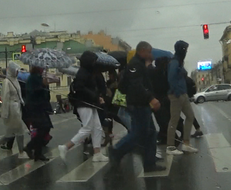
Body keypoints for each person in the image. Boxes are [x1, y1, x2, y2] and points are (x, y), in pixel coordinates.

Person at [108, 42, 165, 172]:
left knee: (150, 133)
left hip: (141, 103)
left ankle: (149, 163)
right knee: (139, 133)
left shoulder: (139, 64)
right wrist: (151, 98)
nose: (150, 54)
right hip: (138, 104)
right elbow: (137, 85)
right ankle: (117, 151)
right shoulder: (135, 65)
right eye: (149, 52)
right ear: (142, 51)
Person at [59, 51, 108, 163]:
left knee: (97, 128)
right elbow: (80, 88)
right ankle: (65, 147)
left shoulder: (88, 72)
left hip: (90, 103)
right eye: (93, 61)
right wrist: (95, 96)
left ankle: (97, 153)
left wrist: (96, 97)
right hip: (84, 104)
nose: (95, 63)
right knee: (87, 128)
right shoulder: (83, 73)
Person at [165, 41, 199, 156]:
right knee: (174, 120)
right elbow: (171, 78)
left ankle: (186, 143)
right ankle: (170, 146)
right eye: (185, 49)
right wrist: (177, 92)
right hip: (177, 95)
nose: (186, 51)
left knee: (190, 116)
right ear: (181, 50)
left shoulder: (178, 61)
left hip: (182, 94)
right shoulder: (174, 62)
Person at [22, 66, 52, 162]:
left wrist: (45, 85)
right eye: (41, 68)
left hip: (40, 106)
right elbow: (33, 92)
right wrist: (43, 85)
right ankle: (30, 147)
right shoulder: (33, 78)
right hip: (35, 107)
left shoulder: (38, 77)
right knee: (43, 128)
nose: (43, 69)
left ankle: (37, 153)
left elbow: (45, 94)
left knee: (44, 128)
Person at [0, 62, 28, 156]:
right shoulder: (7, 82)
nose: (17, 72)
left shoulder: (15, 80)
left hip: (17, 107)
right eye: (16, 71)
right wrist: (5, 113)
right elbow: (5, 97)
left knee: (11, 132)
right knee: (19, 130)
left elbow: (19, 94)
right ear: (12, 71)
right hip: (12, 109)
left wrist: (22, 101)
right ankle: (21, 152)